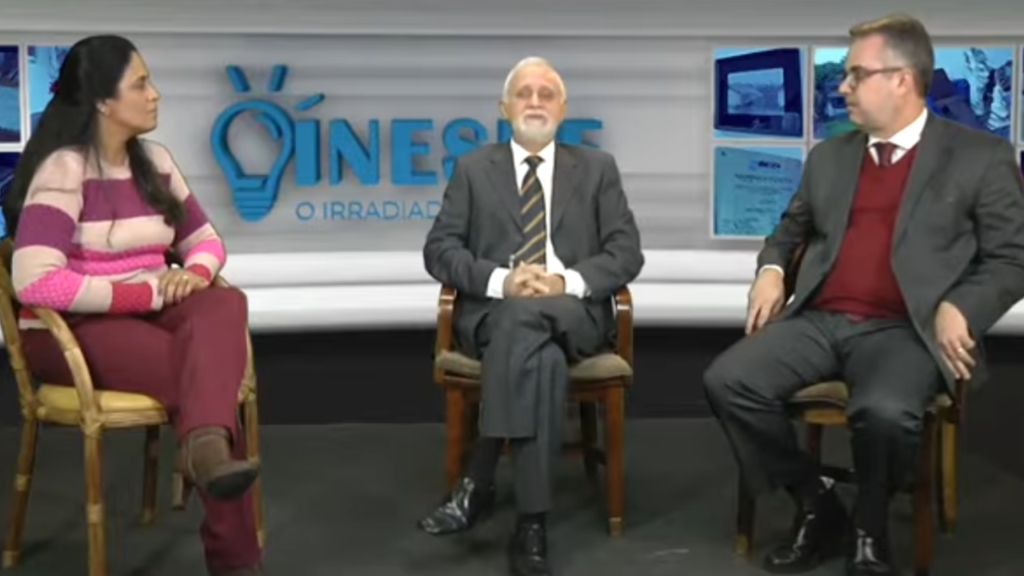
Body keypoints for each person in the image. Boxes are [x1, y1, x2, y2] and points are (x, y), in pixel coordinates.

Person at [704, 14, 1024, 576]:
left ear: (902, 79)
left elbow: (1012, 258)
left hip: (907, 328)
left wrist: (962, 306)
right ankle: (816, 503)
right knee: (728, 381)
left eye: (856, 74)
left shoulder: (980, 156)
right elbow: (788, 232)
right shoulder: (829, 157)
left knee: (884, 412)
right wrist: (772, 269)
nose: (843, 86)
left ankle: (870, 527)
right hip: (819, 319)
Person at [2, 35, 265, 576]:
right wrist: (144, 292)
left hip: (149, 313)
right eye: (140, 84)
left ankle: (203, 450)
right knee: (207, 382)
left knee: (223, 303)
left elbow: (206, 242)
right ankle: (235, 559)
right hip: (69, 330)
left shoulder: (156, 162)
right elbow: (35, 283)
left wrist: (193, 274)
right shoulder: (63, 170)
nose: (154, 94)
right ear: (103, 100)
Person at [417, 56, 644, 576]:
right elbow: (439, 250)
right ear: (504, 108)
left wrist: (566, 282)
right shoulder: (473, 169)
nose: (535, 102)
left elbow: (626, 253)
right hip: (495, 314)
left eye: (546, 94)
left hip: (574, 313)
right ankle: (531, 524)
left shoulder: (598, 169)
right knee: (538, 358)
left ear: (562, 108)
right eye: (524, 93)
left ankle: (478, 477)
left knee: (527, 323)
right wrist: (503, 281)